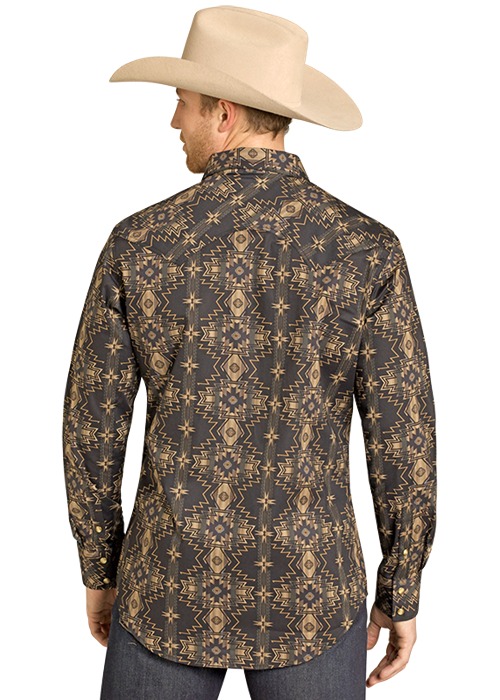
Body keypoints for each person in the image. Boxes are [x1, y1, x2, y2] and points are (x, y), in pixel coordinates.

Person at [62, 7, 437, 699]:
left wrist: (99, 567)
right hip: (313, 590)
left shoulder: (139, 242)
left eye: (182, 103)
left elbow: (92, 425)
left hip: (165, 581)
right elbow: (405, 436)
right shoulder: (368, 250)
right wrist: (401, 590)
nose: (173, 121)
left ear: (224, 114)